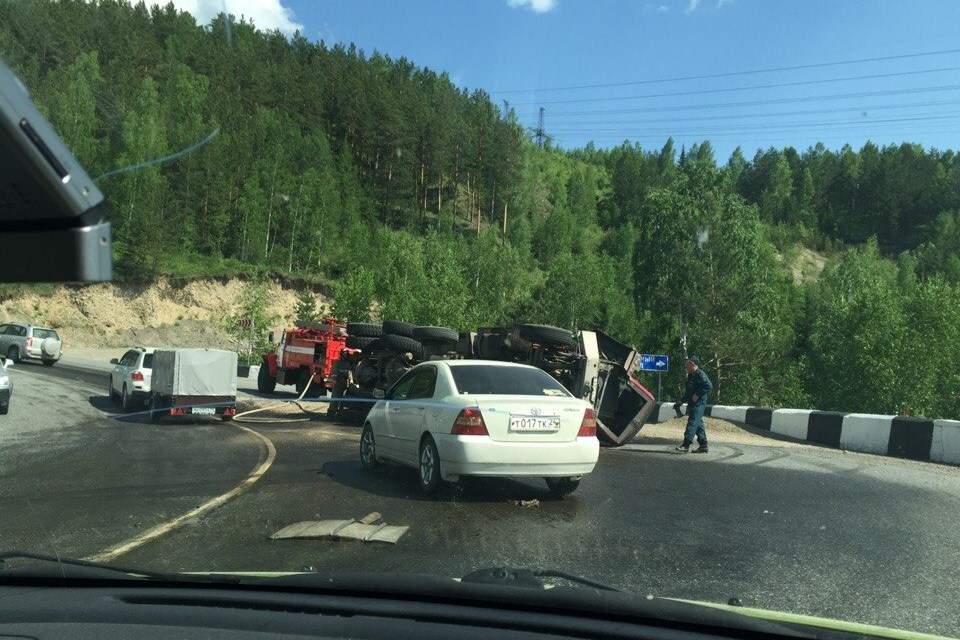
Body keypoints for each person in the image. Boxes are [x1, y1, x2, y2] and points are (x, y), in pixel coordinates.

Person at [673, 355, 712, 453]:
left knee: (692, 422)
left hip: (699, 403)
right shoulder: (690, 375)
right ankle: (703, 445)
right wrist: (681, 401)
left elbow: (708, 386)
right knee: (698, 424)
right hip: (692, 403)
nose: (685, 366)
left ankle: (686, 445)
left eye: (687, 364)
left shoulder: (700, 374)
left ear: (692, 364)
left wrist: (697, 394)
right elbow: (689, 392)